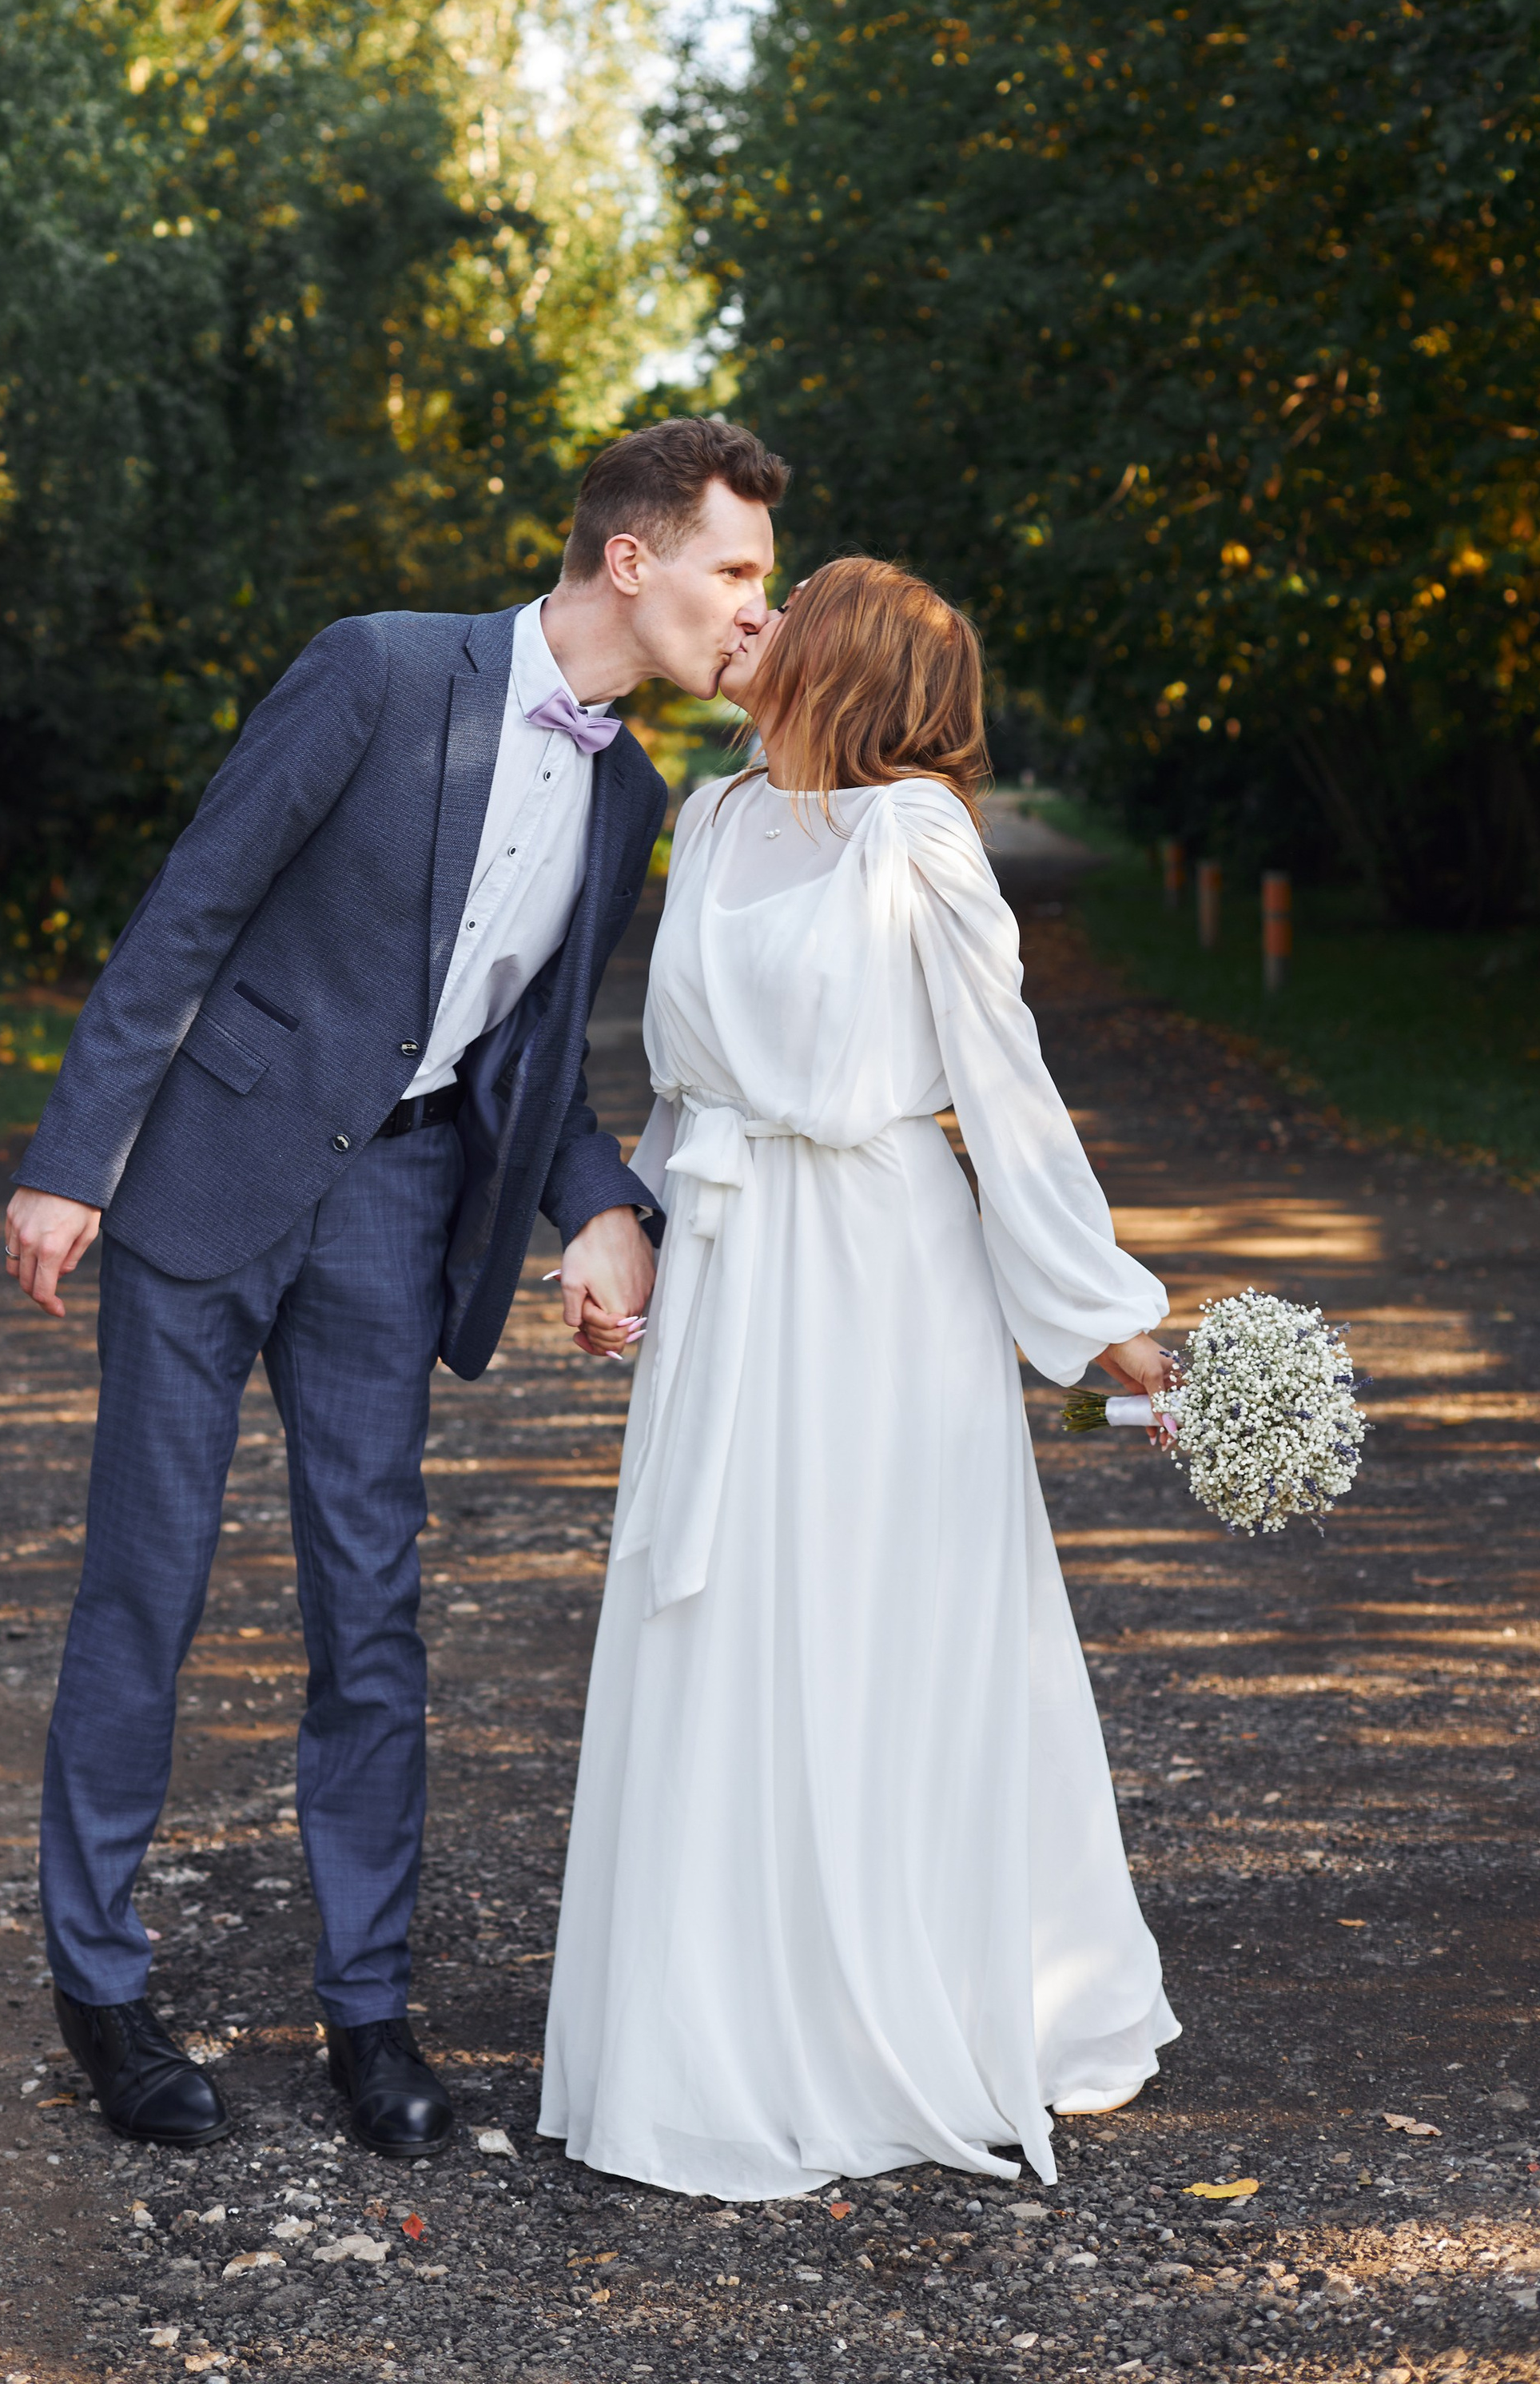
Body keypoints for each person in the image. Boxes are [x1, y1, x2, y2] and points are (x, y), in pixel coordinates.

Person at [3, 415, 790, 2159]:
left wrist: (595, 1206)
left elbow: (533, 1055)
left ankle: (367, 2010)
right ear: (630, 557)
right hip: (205, 1182)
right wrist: (73, 1156)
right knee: (149, 1584)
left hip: (399, 1204)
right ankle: (102, 1988)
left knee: (372, 1613)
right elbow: (190, 908)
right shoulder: (375, 672)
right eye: (737, 569)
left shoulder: (629, 790)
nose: (758, 606)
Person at [539, 555, 1180, 2200]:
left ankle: (928, 1998)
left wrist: (1110, 1321)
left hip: (883, 1278)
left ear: (846, 663)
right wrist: (631, 1239)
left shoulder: (919, 838)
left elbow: (1005, 1090)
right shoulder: (718, 815)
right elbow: (678, 1084)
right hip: (740, 1281)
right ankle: (722, 2027)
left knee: (880, 1624)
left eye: (781, 606)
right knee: (726, 1627)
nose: (744, 622)